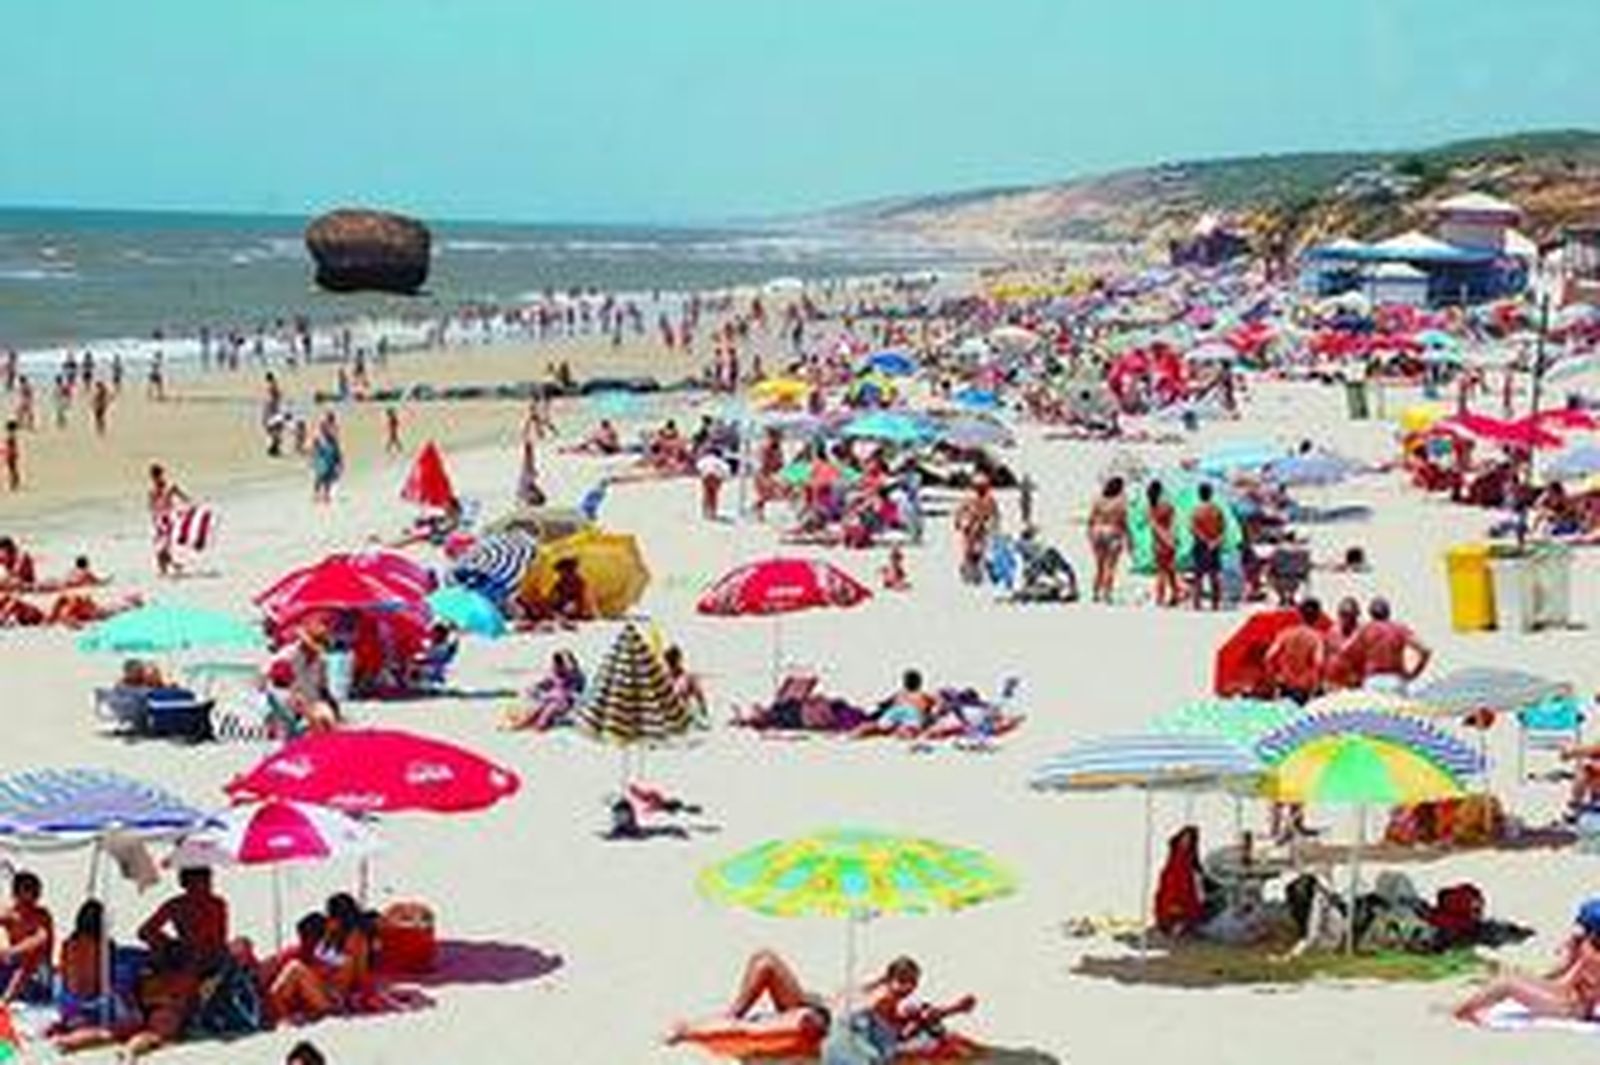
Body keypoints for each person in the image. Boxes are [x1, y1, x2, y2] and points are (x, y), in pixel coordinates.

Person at [668, 950, 975, 1061]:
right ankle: (726, 1018)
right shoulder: (883, 995)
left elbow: (928, 1015)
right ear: (892, 978)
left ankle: (690, 1030)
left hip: (816, 1021)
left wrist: (954, 1009)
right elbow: (926, 1013)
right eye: (903, 981)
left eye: (910, 983)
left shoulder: (891, 1004)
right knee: (765, 961)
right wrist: (954, 1009)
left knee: (750, 1029)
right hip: (815, 1009)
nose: (907, 988)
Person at [1455, 900, 1600, 1024]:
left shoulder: (1591, 955)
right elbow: (1561, 972)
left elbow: (1566, 975)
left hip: (1570, 1007)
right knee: (1509, 978)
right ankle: (1463, 1010)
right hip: (1567, 999)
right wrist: (1533, 979)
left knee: (1506, 984)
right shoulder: (1587, 949)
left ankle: (1461, 1014)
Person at [268, 893, 373, 1022]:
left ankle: (283, 1019)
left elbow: (355, 973)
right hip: (320, 987)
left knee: (295, 969)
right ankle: (282, 1018)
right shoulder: (332, 935)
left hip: (332, 996)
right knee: (285, 981)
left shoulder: (356, 940)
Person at [137, 866, 229, 976]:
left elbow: (145, 931)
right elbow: (220, 938)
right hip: (212, 961)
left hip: (187, 960)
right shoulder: (217, 904)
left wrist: (169, 945)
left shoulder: (176, 904)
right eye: (206, 879)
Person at [1350, 597, 1431, 692]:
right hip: (1394, 679)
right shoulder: (1399, 630)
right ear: (1388, 613)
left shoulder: (1365, 630)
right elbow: (1425, 650)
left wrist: (1355, 677)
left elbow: (1348, 653)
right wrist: (1414, 673)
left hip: (1373, 680)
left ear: (1371, 613)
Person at [0, 871, 53, 1003]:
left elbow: (41, 938)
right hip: (13, 966)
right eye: (27, 888)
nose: (32, 894)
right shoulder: (10, 914)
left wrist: (12, 951)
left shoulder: (41, 916)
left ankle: (6, 1000)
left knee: (32, 955)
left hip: (35, 971)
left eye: (34, 890)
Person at [503, 650, 586, 731]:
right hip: (548, 698)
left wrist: (571, 697)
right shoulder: (555, 673)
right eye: (557, 665)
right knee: (532, 713)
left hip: (561, 702)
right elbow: (544, 683)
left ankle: (557, 721)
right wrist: (535, 688)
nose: (558, 667)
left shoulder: (577, 676)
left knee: (541, 724)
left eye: (562, 665)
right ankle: (517, 724)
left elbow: (577, 692)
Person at [1264, 598, 1327, 706]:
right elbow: (1319, 664)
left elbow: (1268, 657)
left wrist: (1274, 679)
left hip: (1284, 685)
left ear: (1300, 614)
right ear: (1317, 616)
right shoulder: (1316, 638)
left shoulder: (1286, 633)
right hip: (1304, 689)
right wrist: (1316, 687)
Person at [855, 669, 938, 738]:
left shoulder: (899, 695)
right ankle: (899, 732)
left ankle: (858, 733)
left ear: (905, 683)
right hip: (911, 713)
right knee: (907, 729)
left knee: (878, 726)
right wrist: (929, 716)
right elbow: (934, 709)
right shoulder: (923, 696)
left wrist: (871, 712)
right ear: (920, 684)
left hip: (896, 711)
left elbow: (883, 705)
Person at [1087, 477, 1129, 604]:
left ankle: (1095, 592)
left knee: (1099, 566)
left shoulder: (1098, 500)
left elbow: (1091, 518)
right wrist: (1128, 537)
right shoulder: (1120, 502)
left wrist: (1090, 534)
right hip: (1113, 533)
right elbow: (1123, 521)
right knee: (1110, 566)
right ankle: (1107, 593)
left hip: (1097, 532)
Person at [953, 475, 1000, 585]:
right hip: (970, 528)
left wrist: (994, 525)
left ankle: (976, 573)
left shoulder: (989, 500)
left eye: (983, 487)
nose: (981, 489)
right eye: (979, 487)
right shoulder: (970, 499)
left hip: (982, 528)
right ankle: (968, 571)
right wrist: (958, 521)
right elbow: (960, 510)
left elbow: (995, 514)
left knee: (979, 551)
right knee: (969, 551)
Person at [147, 463, 190, 578]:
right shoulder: (153, 490)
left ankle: (167, 567)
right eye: (154, 477)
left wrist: (187, 509)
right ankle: (169, 566)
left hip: (168, 518)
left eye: (157, 476)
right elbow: (152, 507)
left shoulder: (169, 487)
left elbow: (184, 497)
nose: (156, 479)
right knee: (161, 546)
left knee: (163, 545)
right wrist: (155, 521)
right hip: (160, 520)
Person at [1189, 483, 1226, 610]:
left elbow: (1193, 529)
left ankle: (1197, 603)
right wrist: (1215, 541)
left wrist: (1205, 540)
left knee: (1198, 575)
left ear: (1199, 495)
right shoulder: (1217, 510)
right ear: (1211, 494)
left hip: (1201, 545)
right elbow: (1222, 528)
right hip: (1214, 545)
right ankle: (1215, 603)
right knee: (1214, 575)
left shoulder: (1196, 511)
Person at [1147, 480, 1178, 607]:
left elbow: (1153, 526)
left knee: (1161, 572)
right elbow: (1173, 524)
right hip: (1168, 539)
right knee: (1171, 571)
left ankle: (1160, 598)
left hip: (1157, 543)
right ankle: (1174, 595)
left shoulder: (1150, 508)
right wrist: (1171, 540)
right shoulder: (1167, 506)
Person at [663, 644, 708, 727]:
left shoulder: (688, 678)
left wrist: (703, 711)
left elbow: (699, 695)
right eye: (670, 662)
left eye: (673, 661)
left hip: (684, 715)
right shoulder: (664, 678)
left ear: (679, 660)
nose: (672, 665)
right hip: (668, 716)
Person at [2, 420, 18, 492]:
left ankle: (14, 483)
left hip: (10, 454)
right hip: (11, 454)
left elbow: (11, 446)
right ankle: (14, 482)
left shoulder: (11, 436)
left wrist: (7, 453)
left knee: (12, 468)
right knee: (12, 468)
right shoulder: (12, 436)